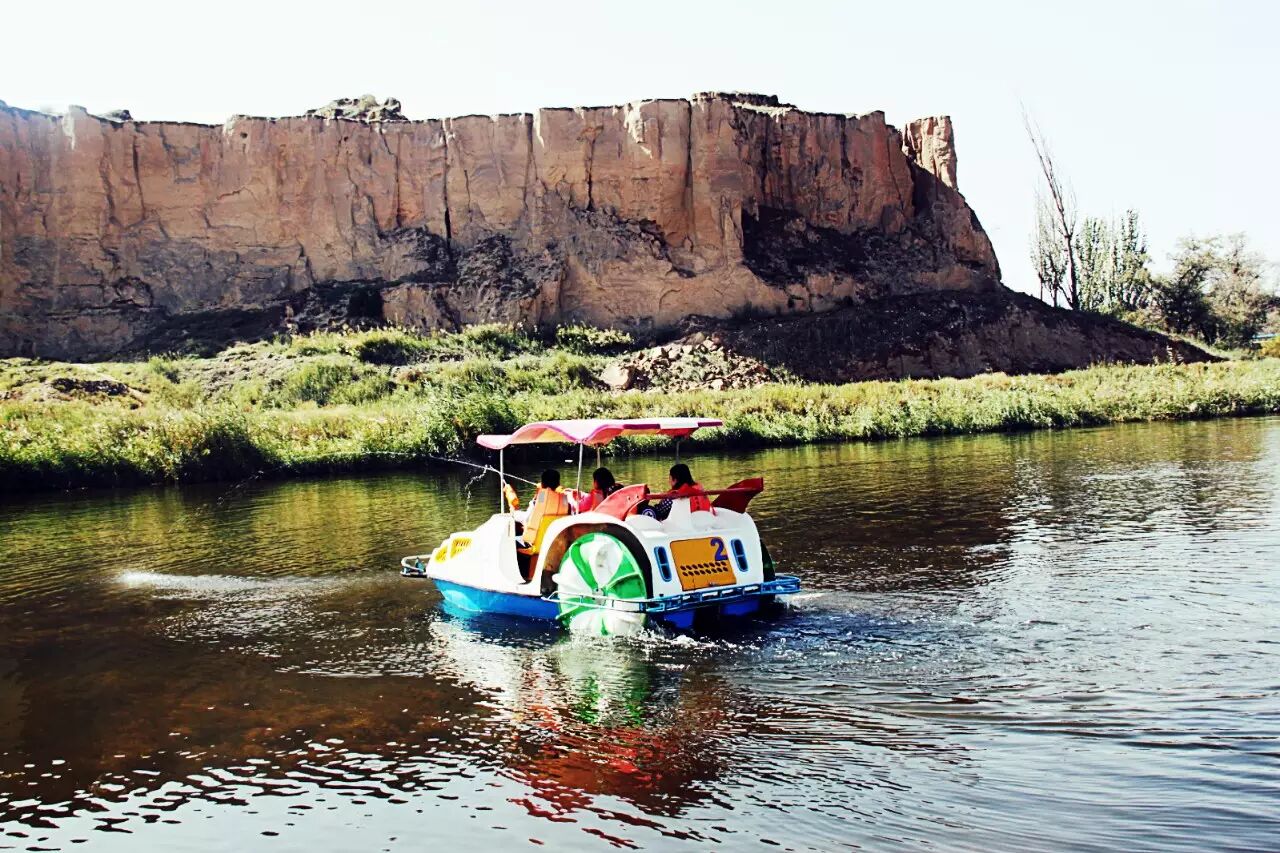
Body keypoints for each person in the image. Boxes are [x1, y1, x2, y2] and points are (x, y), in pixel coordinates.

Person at [513, 469, 569, 550]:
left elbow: (527, 519)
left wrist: (540, 491)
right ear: (558, 483)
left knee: (512, 539)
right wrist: (541, 491)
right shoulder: (564, 500)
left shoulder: (541, 498)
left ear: (542, 484)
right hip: (558, 544)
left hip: (537, 545)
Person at [644, 463, 711, 521]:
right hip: (704, 520)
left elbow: (659, 511)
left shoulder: (673, 496)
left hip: (683, 525)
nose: (668, 481)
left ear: (675, 480)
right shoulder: (699, 489)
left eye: (669, 478)